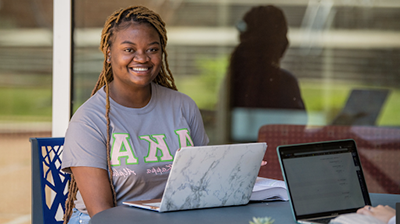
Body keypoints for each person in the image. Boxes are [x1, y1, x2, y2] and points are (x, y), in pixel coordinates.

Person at [61, 5, 209, 224]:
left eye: (152, 49)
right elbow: (102, 214)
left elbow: (207, 179)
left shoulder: (183, 106)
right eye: (129, 50)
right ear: (109, 54)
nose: (142, 58)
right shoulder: (89, 120)